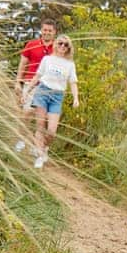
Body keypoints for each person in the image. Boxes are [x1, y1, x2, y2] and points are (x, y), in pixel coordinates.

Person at [24, 34, 79, 169]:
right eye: (60, 43)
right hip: (42, 92)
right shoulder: (47, 59)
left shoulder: (70, 65)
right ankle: (39, 155)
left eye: (65, 45)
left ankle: (43, 147)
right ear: (56, 44)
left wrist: (76, 98)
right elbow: (38, 75)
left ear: (68, 48)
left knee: (52, 131)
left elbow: (73, 82)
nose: (62, 46)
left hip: (57, 96)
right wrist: (27, 90)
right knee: (40, 126)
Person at [14, 18, 56, 152]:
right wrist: (18, 82)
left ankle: (38, 146)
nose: (47, 32)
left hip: (49, 87)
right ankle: (21, 139)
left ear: (54, 32)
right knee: (26, 113)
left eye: (50, 30)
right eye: (45, 30)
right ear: (41, 30)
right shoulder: (31, 45)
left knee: (43, 119)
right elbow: (22, 64)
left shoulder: (59, 47)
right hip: (30, 83)